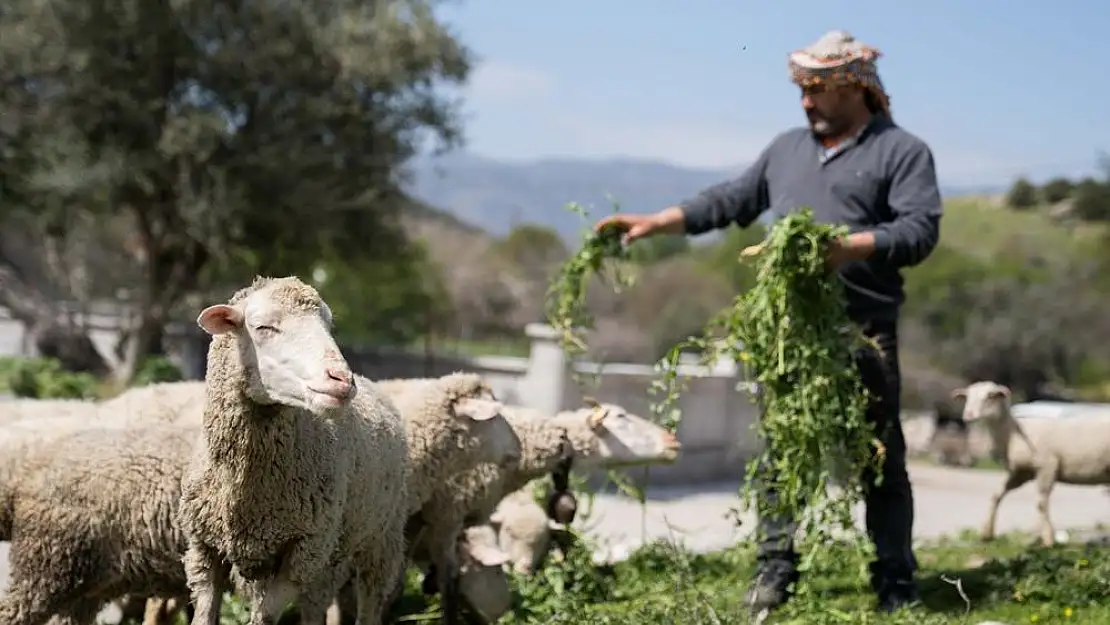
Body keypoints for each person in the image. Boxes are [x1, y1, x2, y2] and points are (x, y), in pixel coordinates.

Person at [593, 29, 942, 616]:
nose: (805, 102)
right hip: (792, 334)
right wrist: (658, 221)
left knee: (878, 455)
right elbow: (730, 200)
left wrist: (848, 247)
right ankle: (775, 569)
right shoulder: (787, 149)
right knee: (780, 455)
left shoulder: (901, 152)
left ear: (855, 88)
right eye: (802, 90)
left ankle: (895, 581)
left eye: (817, 90)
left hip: (864, 331)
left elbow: (918, 232)